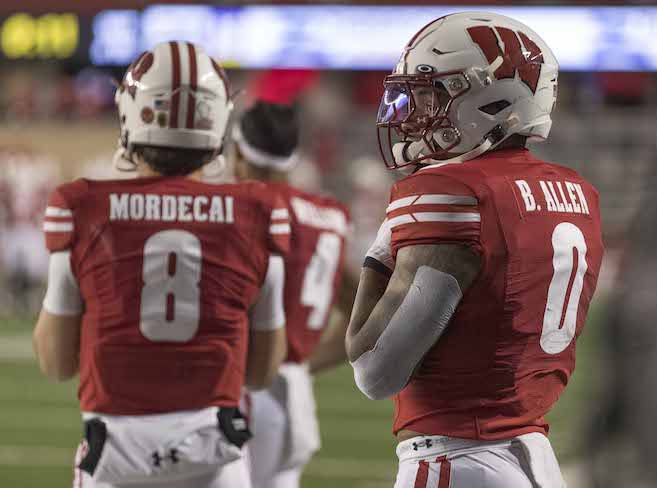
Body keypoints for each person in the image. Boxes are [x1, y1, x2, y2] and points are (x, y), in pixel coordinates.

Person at [346, 12, 604, 488]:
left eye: (431, 95)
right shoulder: (578, 193)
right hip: (535, 458)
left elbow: (375, 371)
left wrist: (379, 252)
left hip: (455, 459)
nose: (411, 114)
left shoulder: (450, 190)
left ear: (489, 98)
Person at [32, 41, 290, 488]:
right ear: (218, 120)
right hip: (216, 459)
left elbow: (56, 362)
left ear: (134, 112)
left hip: (114, 456)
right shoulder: (258, 212)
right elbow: (261, 371)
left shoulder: (82, 207)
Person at [230, 100, 353, 488]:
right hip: (296, 396)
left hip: (249, 391)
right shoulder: (329, 214)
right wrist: (302, 365)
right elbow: (365, 312)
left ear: (237, 150)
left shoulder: (248, 210)